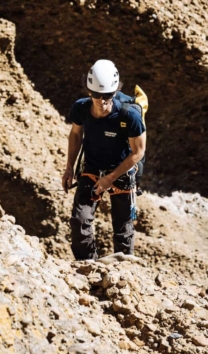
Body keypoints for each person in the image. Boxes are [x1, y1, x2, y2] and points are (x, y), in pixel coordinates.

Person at [61, 59, 147, 260]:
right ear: (89, 91)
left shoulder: (129, 116)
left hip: (123, 172)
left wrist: (110, 178)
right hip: (92, 167)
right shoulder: (81, 109)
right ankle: (88, 266)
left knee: (123, 231)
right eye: (97, 95)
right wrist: (69, 168)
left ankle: (123, 277)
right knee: (79, 222)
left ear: (115, 91)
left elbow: (138, 152)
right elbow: (75, 135)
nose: (102, 100)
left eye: (107, 95)